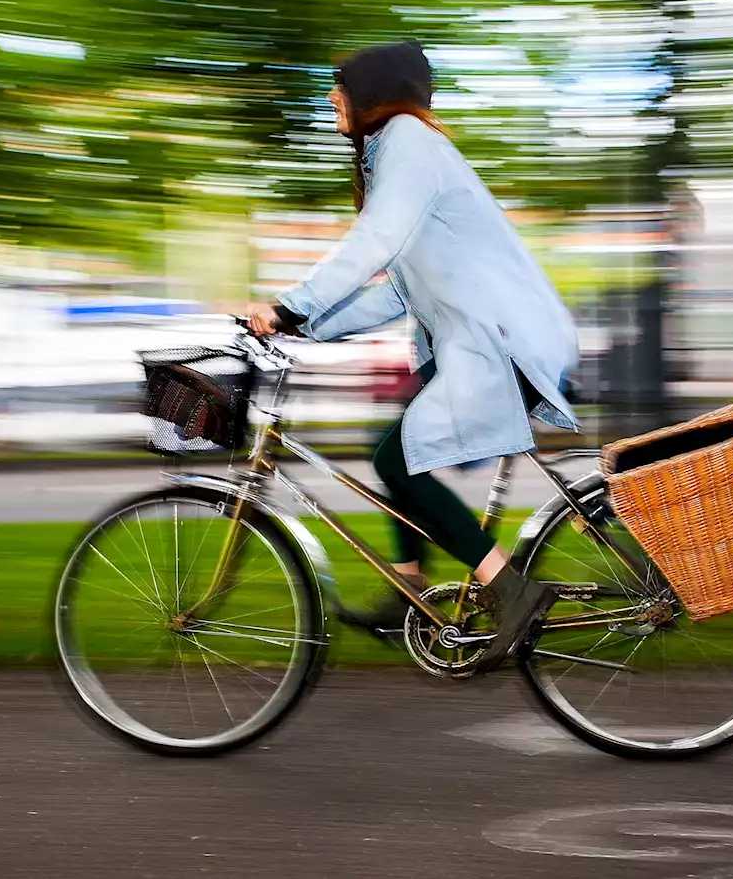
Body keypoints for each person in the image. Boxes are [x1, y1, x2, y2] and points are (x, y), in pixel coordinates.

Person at [246, 40, 580, 673]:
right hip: (479, 343)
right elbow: (396, 291)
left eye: (339, 85)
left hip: (501, 341)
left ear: (374, 94)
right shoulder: (398, 152)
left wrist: (290, 304)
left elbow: (373, 242)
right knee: (397, 450)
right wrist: (304, 327)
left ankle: (511, 590)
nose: (329, 97)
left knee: (397, 461)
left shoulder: (408, 142)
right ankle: (408, 590)